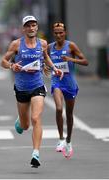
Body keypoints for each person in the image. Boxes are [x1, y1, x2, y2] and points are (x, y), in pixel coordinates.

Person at [1, 16, 63, 168]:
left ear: (37, 27)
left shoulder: (42, 43)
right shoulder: (16, 44)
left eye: (33, 25)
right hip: (21, 88)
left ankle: (36, 153)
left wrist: (55, 68)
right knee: (25, 125)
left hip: (37, 86)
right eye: (28, 26)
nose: (31, 28)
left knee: (36, 118)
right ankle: (20, 121)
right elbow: (3, 61)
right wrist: (11, 66)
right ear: (24, 28)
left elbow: (46, 57)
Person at [47, 22, 88, 159]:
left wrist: (70, 59)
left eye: (61, 32)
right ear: (54, 33)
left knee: (69, 114)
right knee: (59, 109)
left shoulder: (71, 46)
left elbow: (85, 61)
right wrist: (46, 68)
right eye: (56, 32)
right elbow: (44, 60)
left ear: (65, 33)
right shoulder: (49, 47)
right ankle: (60, 139)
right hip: (57, 81)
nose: (58, 35)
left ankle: (69, 141)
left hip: (69, 83)